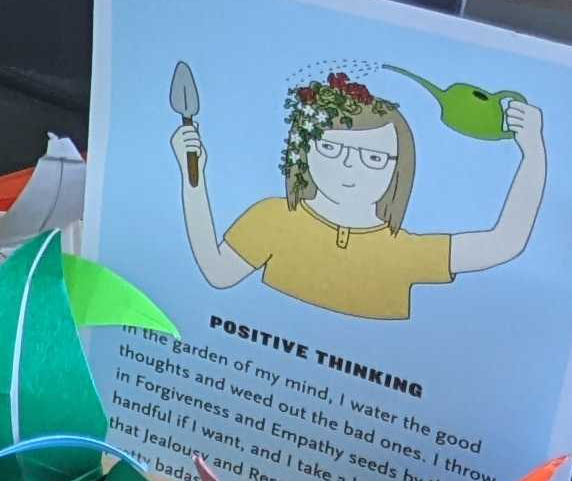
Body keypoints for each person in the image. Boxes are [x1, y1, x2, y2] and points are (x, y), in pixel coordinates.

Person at [176, 69, 545, 322]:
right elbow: (218, 272)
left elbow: (504, 244)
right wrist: (192, 175)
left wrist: (534, 154)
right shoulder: (273, 218)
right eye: (332, 149)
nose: (350, 168)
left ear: (397, 168)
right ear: (303, 151)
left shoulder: (403, 250)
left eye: (373, 157)